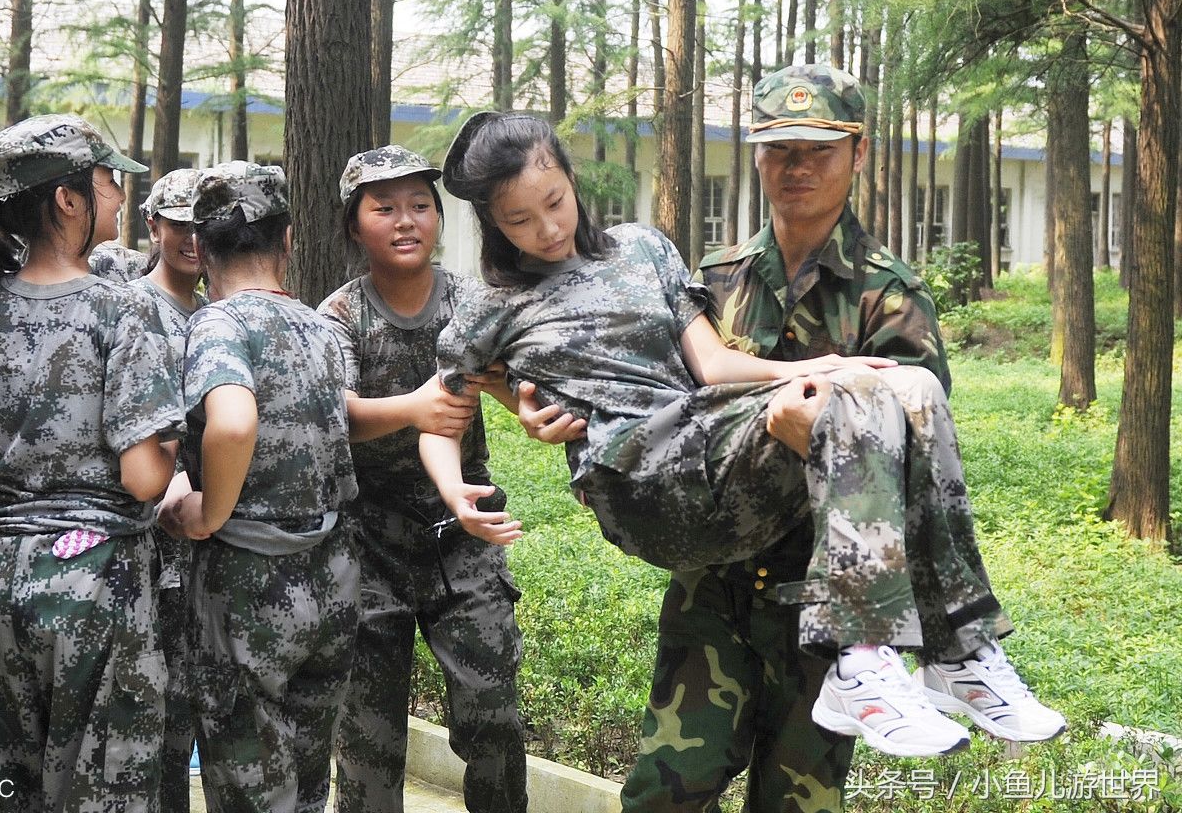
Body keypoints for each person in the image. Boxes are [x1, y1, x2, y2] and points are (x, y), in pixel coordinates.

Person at [422, 111, 1061, 770]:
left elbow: (716, 369)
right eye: (519, 220)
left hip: (705, 448)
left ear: (570, 176)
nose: (548, 229)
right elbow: (442, 411)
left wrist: (820, 365)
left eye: (554, 202)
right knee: (838, 401)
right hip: (639, 483)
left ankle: (956, 654)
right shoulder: (490, 303)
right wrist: (456, 490)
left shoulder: (642, 248)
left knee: (911, 390)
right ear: (492, 224)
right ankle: (862, 654)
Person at [0, 114, 183, 810]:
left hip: (1, 580)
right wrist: (177, 446)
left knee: (11, 782)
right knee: (102, 787)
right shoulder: (122, 311)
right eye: (107, 182)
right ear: (68, 200)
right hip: (95, 578)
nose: (119, 196)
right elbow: (142, 477)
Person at [318, 146, 527, 813]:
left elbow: (526, 387)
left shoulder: (473, 301)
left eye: (420, 205)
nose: (406, 221)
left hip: (463, 537)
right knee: (369, 741)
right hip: (368, 541)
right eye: (385, 209)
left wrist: (509, 390)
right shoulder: (341, 315)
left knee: (493, 714)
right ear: (355, 226)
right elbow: (336, 415)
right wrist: (414, 406)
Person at [158, 161, 359, 813]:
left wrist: (207, 512)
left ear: (203, 247)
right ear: (290, 241)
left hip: (248, 585)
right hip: (330, 578)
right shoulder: (326, 330)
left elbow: (234, 420)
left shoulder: (217, 325)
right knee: (307, 786)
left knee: (247, 791)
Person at [132, 167, 205, 813]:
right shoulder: (129, 308)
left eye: (202, 224)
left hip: (206, 546)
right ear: (153, 225)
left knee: (184, 718)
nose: (191, 237)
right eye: (178, 222)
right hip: (143, 551)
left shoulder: (216, 316)